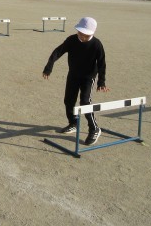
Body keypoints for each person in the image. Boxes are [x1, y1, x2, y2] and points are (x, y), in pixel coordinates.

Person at [42, 17, 109, 145]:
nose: (82, 36)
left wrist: (101, 82)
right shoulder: (72, 40)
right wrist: (49, 67)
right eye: (80, 32)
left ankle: (94, 128)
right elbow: (57, 52)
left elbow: (102, 64)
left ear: (92, 33)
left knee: (85, 101)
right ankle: (73, 123)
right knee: (68, 100)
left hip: (88, 77)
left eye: (85, 34)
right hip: (73, 75)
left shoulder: (96, 44)